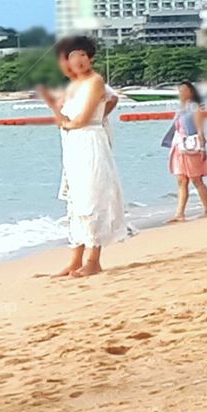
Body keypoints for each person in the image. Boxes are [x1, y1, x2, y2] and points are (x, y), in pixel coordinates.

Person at [42, 36, 127, 277]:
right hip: (74, 146)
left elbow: (83, 117)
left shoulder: (96, 80)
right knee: (76, 201)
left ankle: (94, 259)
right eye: (72, 56)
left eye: (81, 54)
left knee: (94, 197)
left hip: (90, 140)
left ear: (90, 57)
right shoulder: (73, 85)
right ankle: (76, 258)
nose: (77, 60)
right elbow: (65, 116)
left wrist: (85, 121)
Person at [163, 81, 207, 221]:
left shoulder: (196, 108)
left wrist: (203, 147)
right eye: (180, 90)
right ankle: (179, 214)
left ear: (190, 92)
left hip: (191, 147)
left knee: (196, 179)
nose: (181, 93)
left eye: (184, 90)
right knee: (181, 180)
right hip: (179, 146)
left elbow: (200, 129)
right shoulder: (181, 108)